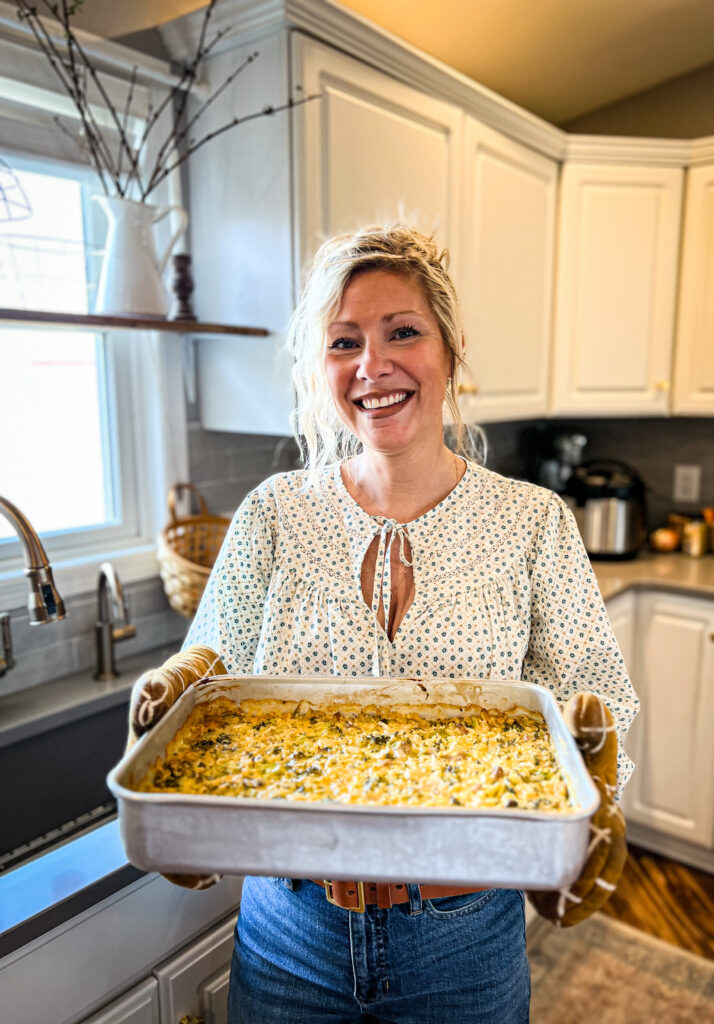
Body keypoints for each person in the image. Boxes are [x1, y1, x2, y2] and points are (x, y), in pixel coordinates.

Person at [129, 224, 638, 1024]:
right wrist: (176, 721)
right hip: (289, 928)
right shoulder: (272, 513)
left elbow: (599, 695)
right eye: (344, 342)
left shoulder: (534, 522)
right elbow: (210, 668)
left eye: (403, 331)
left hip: (464, 935)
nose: (373, 366)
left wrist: (593, 781)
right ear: (320, 367)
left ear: (451, 349)